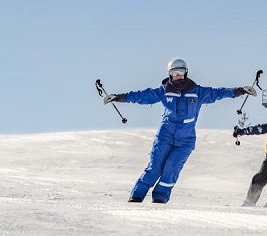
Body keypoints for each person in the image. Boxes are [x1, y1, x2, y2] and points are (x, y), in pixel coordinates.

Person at [103, 58, 256, 204]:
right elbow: (142, 96)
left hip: (186, 139)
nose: (178, 76)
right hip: (165, 136)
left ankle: (160, 198)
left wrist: (240, 91)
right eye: (174, 72)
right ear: (169, 74)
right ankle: (136, 196)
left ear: (186, 72)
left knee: (172, 169)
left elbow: (219, 93)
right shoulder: (164, 91)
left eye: (181, 71)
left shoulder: (197, 92)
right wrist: (119, 97)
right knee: (154, 168)